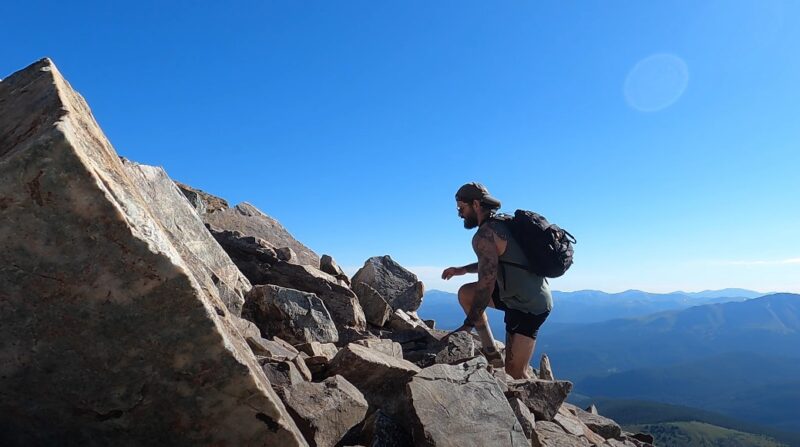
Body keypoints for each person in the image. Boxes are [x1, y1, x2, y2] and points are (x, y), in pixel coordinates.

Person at [441, 182, 552, 379]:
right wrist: (462, 270)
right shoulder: (503, 224)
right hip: (514, 296)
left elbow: (486, 283)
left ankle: (531, 406)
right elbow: (494, 263)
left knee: (516, 372)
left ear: (475, 204)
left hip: (530, 306)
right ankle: (491, 352)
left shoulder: (484, 235)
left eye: (461, 208)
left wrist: (468, 324)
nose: (460, 214)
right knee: (466, 293)